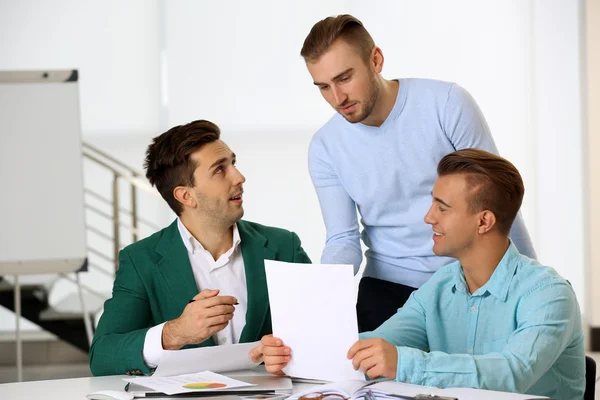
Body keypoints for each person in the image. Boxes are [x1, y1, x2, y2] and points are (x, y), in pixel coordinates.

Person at [258, 149, 585, 399]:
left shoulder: (548, 294)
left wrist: (403, 363)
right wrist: (294, 351)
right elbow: (377, 345)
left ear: (483, 221)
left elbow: (513, 373)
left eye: (442, 208)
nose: (429, 217)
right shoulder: (441, 287)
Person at [301, 14, 536, 331]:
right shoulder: (325, 147)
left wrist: (535, 282)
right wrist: (322, 291)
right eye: (324, 87)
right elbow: (342, 239)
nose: (337, 98)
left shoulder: (446, 104)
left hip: (468, 277)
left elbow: (498, 203)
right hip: (387, 285)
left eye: (344, 78)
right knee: (367, 375)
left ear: (376, 59)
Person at [89, 119, 311, 376]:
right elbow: (103, 355)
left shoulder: (285, 246)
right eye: (220, 170)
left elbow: (324, 330)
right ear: (186, 196)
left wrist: (290, 355)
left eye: (233, 163)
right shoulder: (141, 260)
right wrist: (175, 333)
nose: (239, 177)